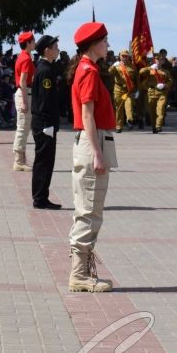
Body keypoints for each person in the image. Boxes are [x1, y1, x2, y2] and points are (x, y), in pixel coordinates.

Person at [68, 22, 117, 293]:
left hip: (92, 141)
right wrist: (97, 153)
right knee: (88, 210)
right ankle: (79, 274)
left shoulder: (89, 69)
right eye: (105, 41)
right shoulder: (88, 71)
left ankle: (82, 270)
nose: (108, 45)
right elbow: (87, 114)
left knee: (89, 208)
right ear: (93, 44)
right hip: (92, 141)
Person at [30, 35, 62, 210]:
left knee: (45, 160)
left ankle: (41, 196)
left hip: (44, 121)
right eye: (55, 46)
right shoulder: (45, 70)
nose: (57, 49)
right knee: (44, 162)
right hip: (44, 123)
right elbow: (45, 100)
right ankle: (40, 198)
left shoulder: (46, 67)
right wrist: (48, 124)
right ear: (47, 50)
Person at [12, 32, 36, 171]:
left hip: (23, 93)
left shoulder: (23, 56)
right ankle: (19, 161)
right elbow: (22, 81)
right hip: (24, 93)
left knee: (23, 127)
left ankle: (21, 158)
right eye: (33, 40)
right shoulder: (26, 58)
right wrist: (25, 102)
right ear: (27, 43)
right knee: (22, 128)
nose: (34, 43)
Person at [140, 54, 172, 133]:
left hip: (162, 92)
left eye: (161, 60)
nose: (159, 61)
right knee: (152, 112)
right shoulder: (151, 69)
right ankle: (154, 127)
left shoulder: (166, 71)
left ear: (163, 61)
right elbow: (141, 72)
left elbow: (170, 81)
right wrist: (150, 68)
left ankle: (158, 126)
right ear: (155, 60)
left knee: (160, 110)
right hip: (151, 92)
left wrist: (165, 85)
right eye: (157, 59)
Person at [112, 50, 138, 133]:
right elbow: (110, 72)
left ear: (128, 57)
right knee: (119, 108)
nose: (124, 57)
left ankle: (130, 120)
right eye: (122, 56)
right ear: (119, 56)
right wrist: (113, 66)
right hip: (118, 89)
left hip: (128, 90)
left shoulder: (133, 67)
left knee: (129, 104)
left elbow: (136, 80)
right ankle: (119, 126)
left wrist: (137, 90)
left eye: (126, 56)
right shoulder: (117, 66)